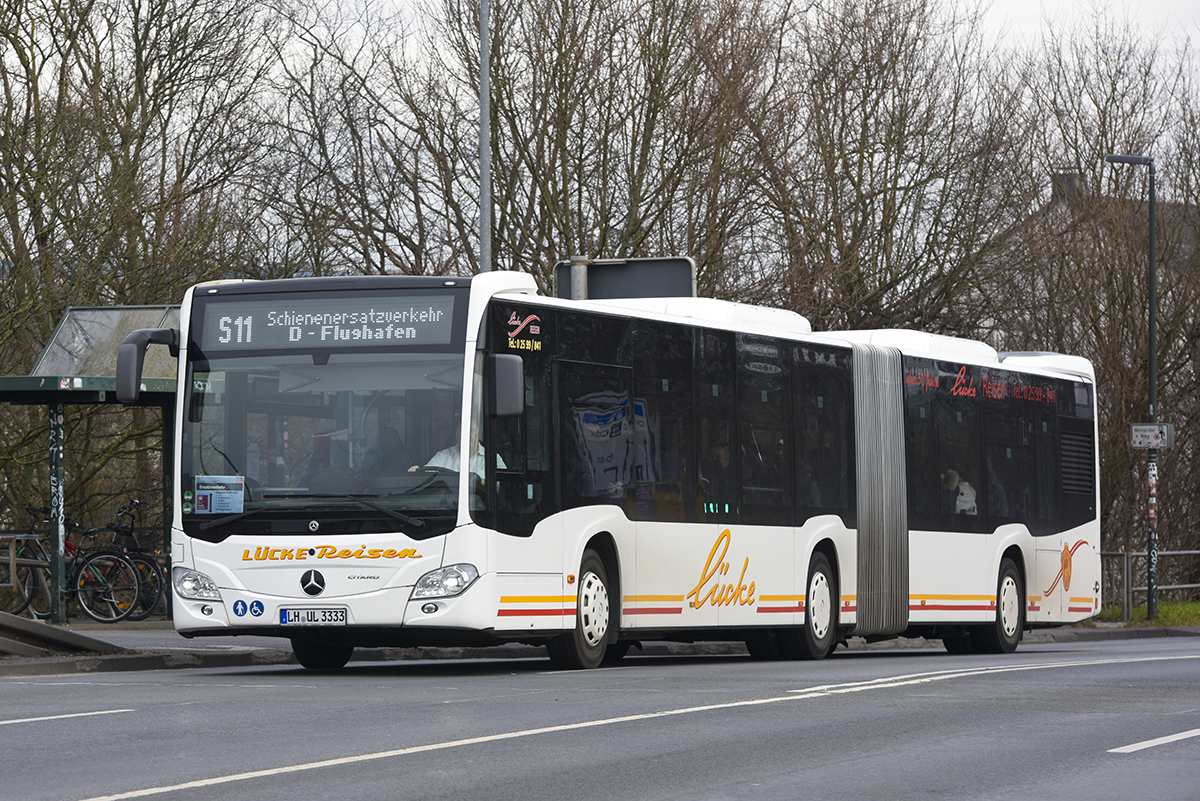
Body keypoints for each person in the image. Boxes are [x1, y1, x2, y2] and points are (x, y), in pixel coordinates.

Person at [411, 419, 505, 481]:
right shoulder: (443, 457)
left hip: (480, 505)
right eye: (463, 430)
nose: (467, 434)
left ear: (478, 434)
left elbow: (502, 485)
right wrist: (416, 474)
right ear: (457, 434)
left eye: (471, 430)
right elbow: (426, 477)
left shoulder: (493, 459)